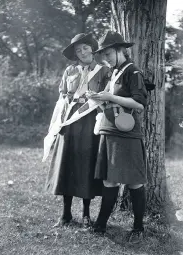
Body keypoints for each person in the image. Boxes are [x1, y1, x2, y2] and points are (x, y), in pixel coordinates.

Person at [45, 33, 110, 228]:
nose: (82, 52)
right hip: (70, 121)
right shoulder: (70, 70)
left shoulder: (103, 71)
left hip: (90, 121)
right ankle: (65, 214)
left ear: (92, 49)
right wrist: (66, 101)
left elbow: (107, 95)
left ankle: (86, 214)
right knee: (67, 163)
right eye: (78, 50)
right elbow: (62, 93)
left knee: (86, 165)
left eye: (85, 48)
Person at [89, 31, 148, 243]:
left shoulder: (133, 72)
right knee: (109, 179)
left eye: (108, 53)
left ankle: (139, 227)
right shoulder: (114, 72)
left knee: (134, 182)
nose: (106, 58)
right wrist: (100, 99)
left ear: (120, 49)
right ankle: (101, 224)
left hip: (127, 133)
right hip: (110, 131)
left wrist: (110, 96)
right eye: (103, 54)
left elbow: (139, 104)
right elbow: (112, 101)